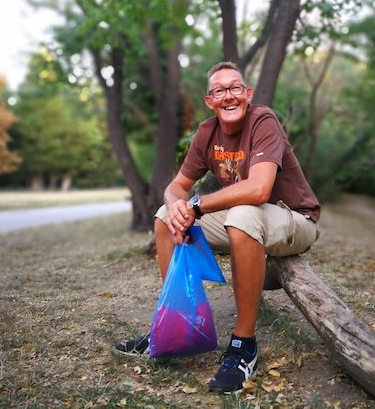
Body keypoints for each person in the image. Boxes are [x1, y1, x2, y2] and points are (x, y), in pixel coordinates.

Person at [114, 61, 321, 393]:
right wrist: (179, 205)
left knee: (241, 214)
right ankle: (175, 325)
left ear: (247, 94)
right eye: (220, 90)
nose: (229, 95)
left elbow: (259, 190)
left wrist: (196, 205)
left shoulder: (263, 120)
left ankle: (243, 345)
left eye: (235, 88)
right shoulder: (206, 132)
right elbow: (177, 186)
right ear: (210, 100)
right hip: (246, 219)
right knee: (165, 216)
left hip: (294, 219)